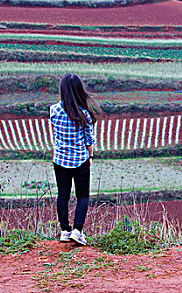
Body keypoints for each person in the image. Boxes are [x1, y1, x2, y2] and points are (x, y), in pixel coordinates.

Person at [50, 74, 102, 245]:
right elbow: (89, 140)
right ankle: (77, 231)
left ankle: (65, 230)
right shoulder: (85, 115)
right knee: (82, 196)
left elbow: (56, 134)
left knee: (63, 195)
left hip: (60, 159)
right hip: (80, 159)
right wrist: (91, 156)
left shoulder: (54, 110)